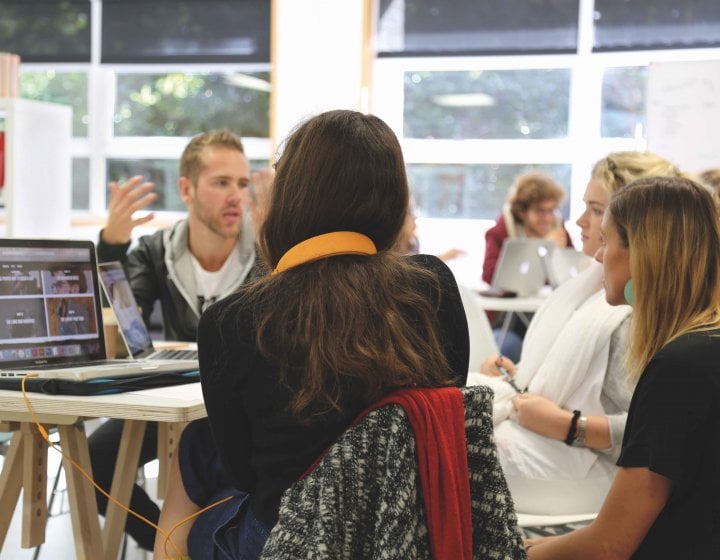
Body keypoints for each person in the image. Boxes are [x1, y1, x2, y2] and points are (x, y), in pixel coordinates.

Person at [153, 110, 470, 559]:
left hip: (289, 544)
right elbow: (444, 405)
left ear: (291, 196)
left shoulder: (232, 320)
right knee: (197, 446)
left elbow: (246, 475)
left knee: (194, 471)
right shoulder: (432, 286)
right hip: (410, 534)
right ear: (394, 195)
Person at [470, 151, 685, 515]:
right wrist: (518, 373)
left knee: (440, 454)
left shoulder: (631, 313)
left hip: (591, 466)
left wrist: (568, 425)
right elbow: (567, 380)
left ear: (637, 225)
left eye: (598, 210)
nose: (583, 221)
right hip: (557, 445)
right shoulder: (592, 291)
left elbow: (657, 433)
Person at [88, 130, 264, 552]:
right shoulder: (154, 250)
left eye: (242, 184)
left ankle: (208, 538)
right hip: (173, 403)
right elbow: (121, 320)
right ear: (186, 189)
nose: (236, 196)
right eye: (221, 182)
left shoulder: (265, 252)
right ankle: (166, 540)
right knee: (93, 461)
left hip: (240, 410)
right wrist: (111, 245)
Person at [527, 176, 720, 559]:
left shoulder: (680, 368)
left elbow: (609, 545)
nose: (598, 256)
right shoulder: (700, 351)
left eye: (608, 240)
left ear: (643, 253)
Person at [482, 171, 573, 360]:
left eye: (552, 210)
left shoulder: (558, 228)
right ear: (522, 211)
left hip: (550, 317)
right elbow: (491, 275)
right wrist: (540, 249)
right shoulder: (503, 229)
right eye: (540, 210)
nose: (547, 217)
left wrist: (557, 255)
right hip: (509, 319)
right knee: (505, 348)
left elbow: (571, 277)